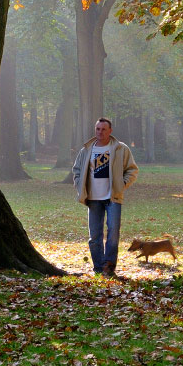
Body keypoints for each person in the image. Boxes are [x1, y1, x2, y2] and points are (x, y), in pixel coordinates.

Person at [72, 117, 138, 277]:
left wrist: (121, 185)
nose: (100, 132)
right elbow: (77, 170)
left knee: (113, 232)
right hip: (93, 198)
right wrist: (80, 186)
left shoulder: (120, 149)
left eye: (103, 129)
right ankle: (98, 268)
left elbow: (132, 170)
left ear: (110, 131)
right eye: (97, 129)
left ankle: (109, 268)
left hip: (112, 198)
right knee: (94, 236)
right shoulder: (86, 150)